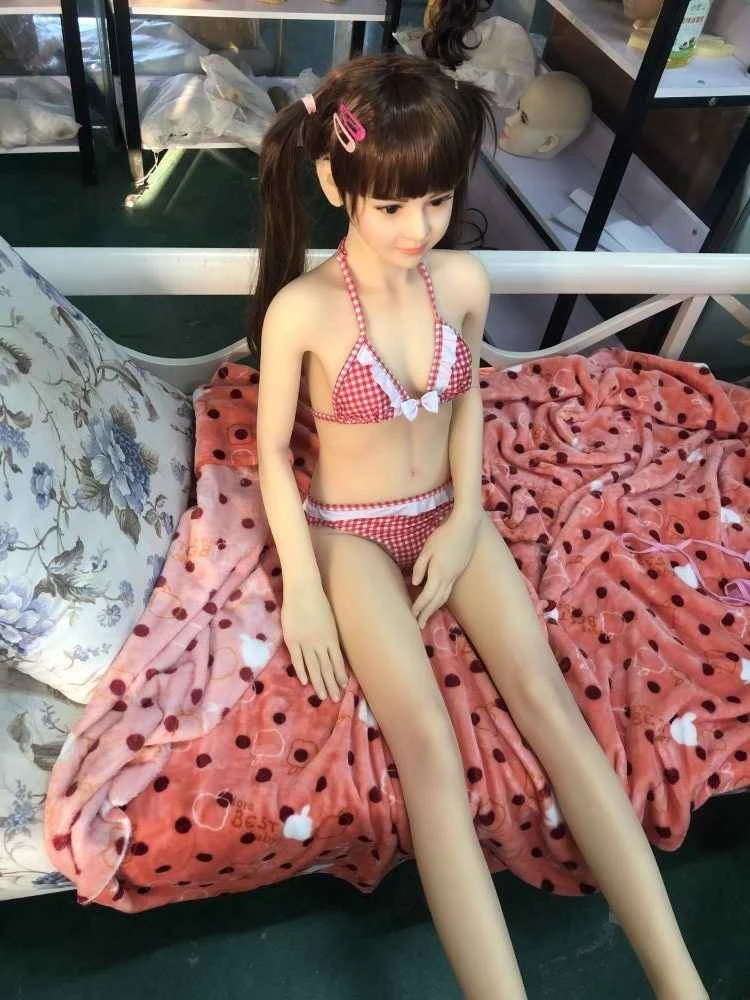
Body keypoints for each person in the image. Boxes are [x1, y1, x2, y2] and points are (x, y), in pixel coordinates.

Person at [251, 52, 709, 1000]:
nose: (417, 228)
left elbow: (469, 407)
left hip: (448, 517)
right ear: (336, 183)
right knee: (428, 746)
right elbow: (267, 455)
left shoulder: (459, 282)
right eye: (392, 205)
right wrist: (303, 588)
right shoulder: (304, 310)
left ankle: (682, 984)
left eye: (435, 201)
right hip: (352, 530)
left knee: (553, 706)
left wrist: (467, 517)